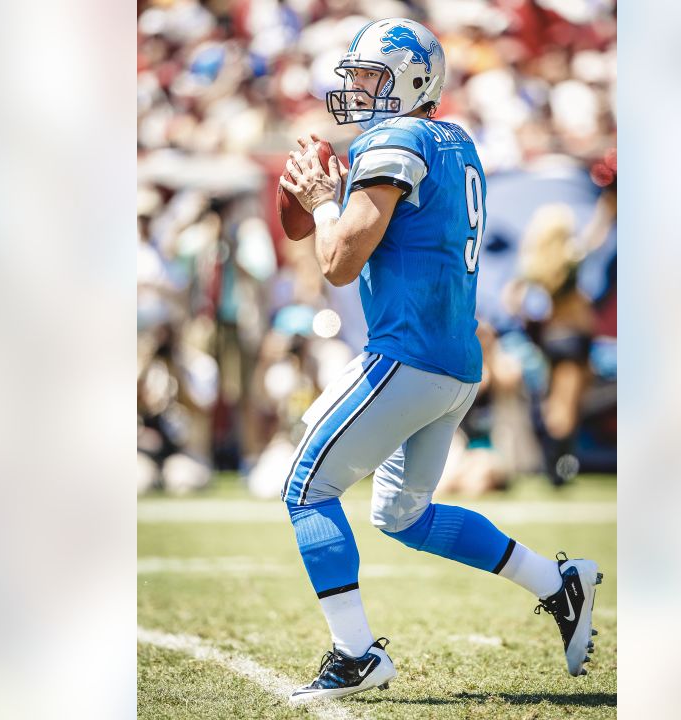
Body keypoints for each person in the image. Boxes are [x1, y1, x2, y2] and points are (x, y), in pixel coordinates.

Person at [277, 18, 604, 705]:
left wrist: (316, 199)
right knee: (402, 514)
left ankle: (354, 653)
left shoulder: (395, 141)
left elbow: (337, 263)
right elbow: (319, 230)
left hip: (408, 354)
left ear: (412, 80)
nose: (358, 91)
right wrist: (309, 200)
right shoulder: (453, 140)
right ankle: (556, 582)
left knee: (307, 489)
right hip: (454, 361)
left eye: (370, 78)